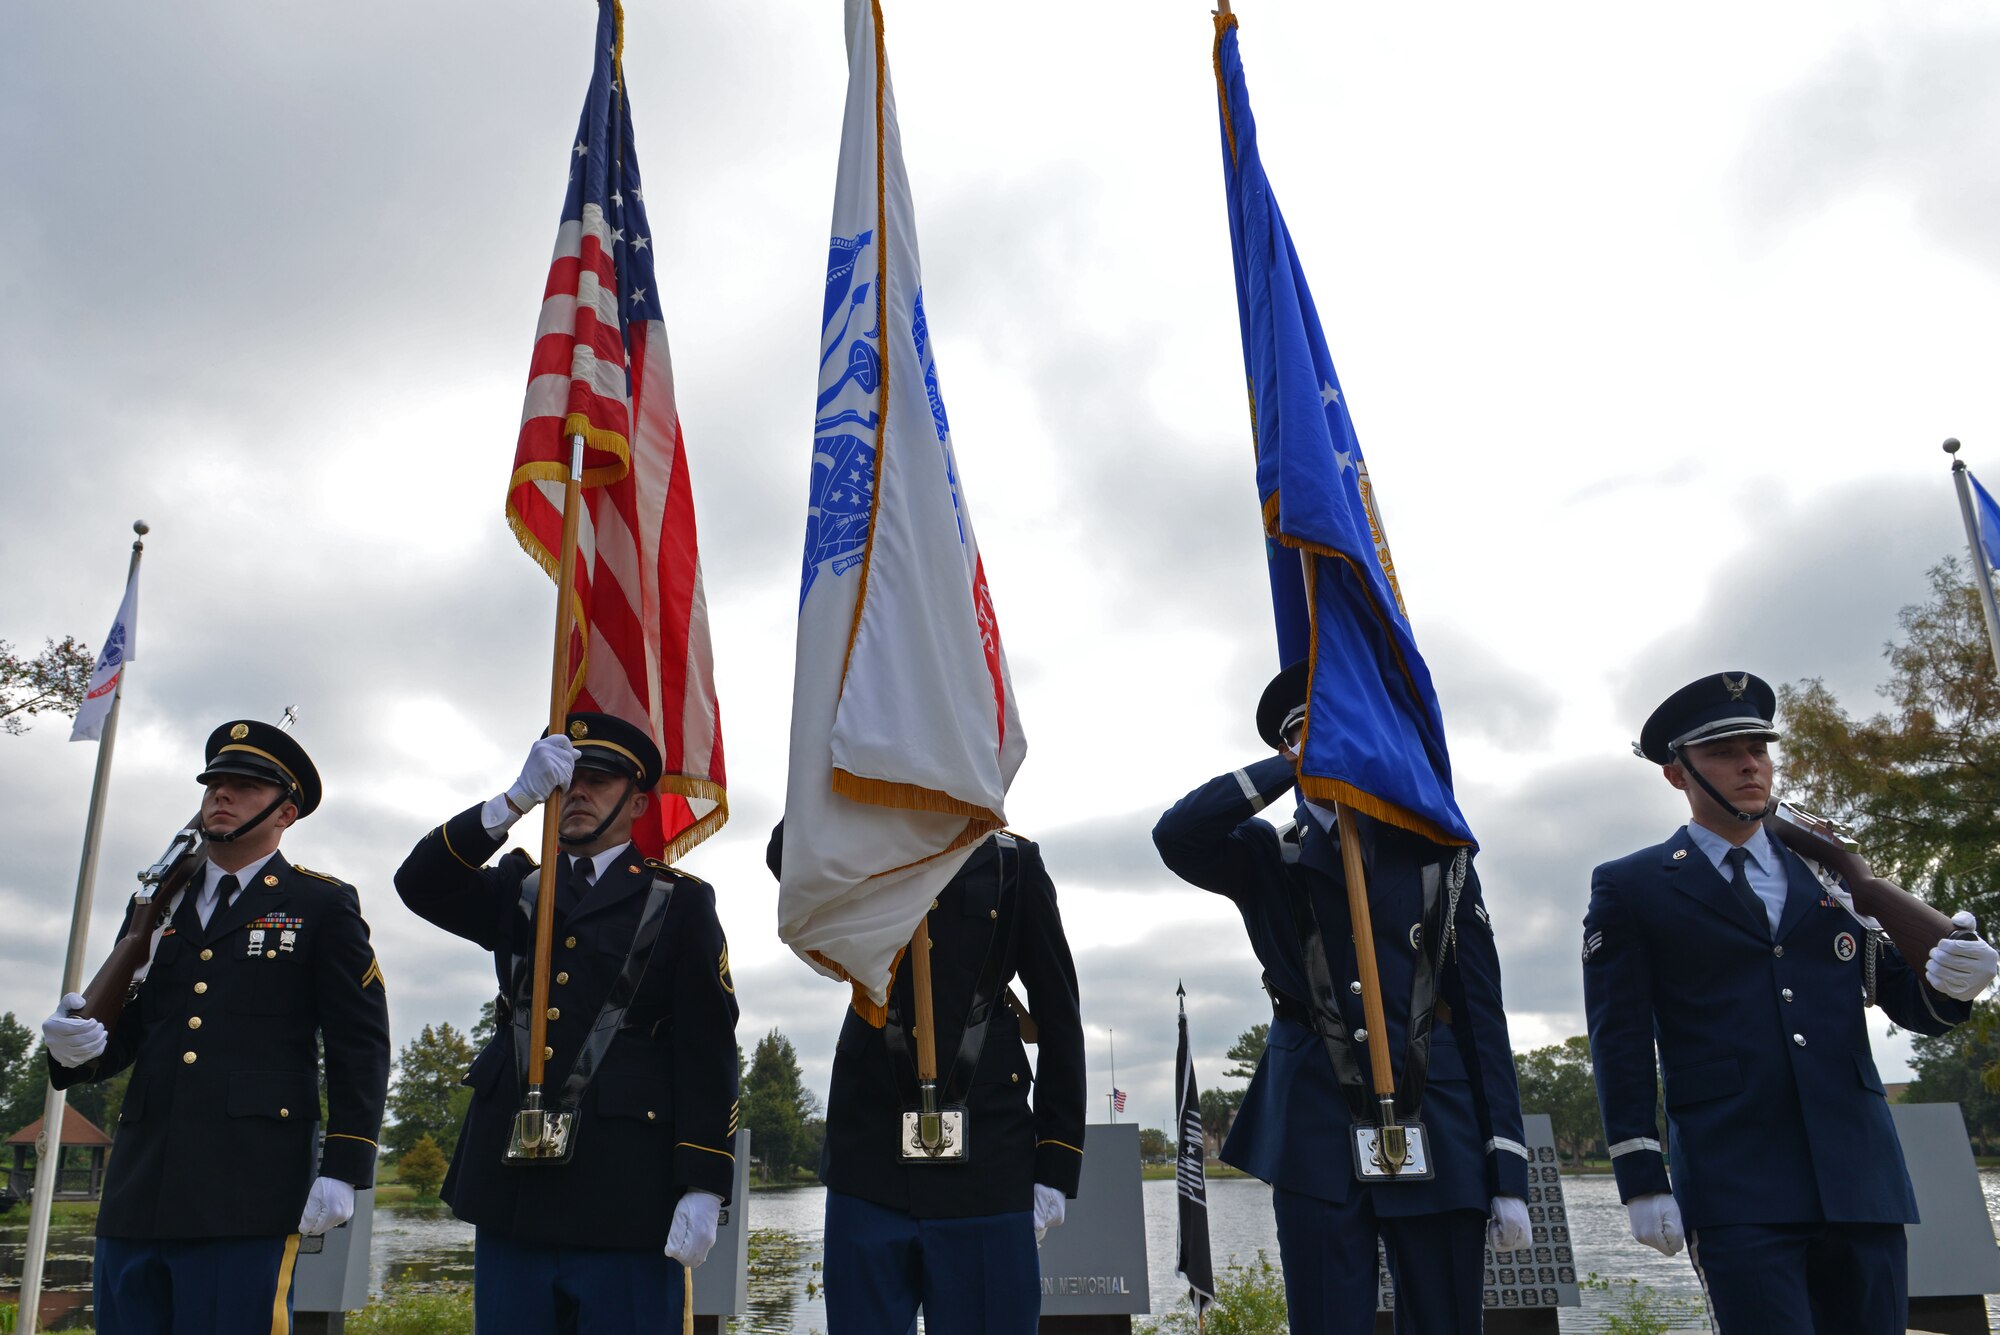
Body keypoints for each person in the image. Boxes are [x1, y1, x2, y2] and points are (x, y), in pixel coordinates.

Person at [1584, 671, 1998, 1332]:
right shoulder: (1633, 886)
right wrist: (1639, 1171)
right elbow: (1620, 1036)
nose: (1751, 764)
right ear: (1676, 773)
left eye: (1760, 747)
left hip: (1861, 1177)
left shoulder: (1829, 869)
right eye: (1724, 751)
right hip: (1736, 1183)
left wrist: (1954, 982)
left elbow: (1909, 1003)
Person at [1153, 662, 1531, 1335]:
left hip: (1436, 1119)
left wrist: (1507, 1166)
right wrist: (1287, 773)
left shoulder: (1437, 855)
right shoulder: (1267, 856)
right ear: (1289, 746)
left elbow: (1480, 1015)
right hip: (1315, 1127)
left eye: (1341, 728)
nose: (1330, 745)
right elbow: (1176, 835)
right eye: (1309, 733)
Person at [40, 719, 391, 1335]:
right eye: (214, 785)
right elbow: (131, 1035)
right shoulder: (159, 902)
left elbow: (359, 1045)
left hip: (249, 1191)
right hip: (139, 1189)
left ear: (285, 812)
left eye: (244, 787)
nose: (221, 796)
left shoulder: (320, 905)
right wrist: (75, 1049)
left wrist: (346, 1166)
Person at [395, 711, 738, 1334]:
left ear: (637, 803)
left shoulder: (679, 901)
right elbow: (418, 883)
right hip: (512, 1192)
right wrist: (513, 800)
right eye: (564, 779)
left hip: (625, 1190)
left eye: (597, 780)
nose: (575, 792)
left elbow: (707, 1048)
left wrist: (704, 1179)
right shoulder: (520, 888)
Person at [766, 820, 1086, 1335]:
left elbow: (1060, 1016)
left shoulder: (1013, 862)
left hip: (987, 1162)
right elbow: (788, 853)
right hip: (869, 1157)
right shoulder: (855, 844)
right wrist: (856, 783)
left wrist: (1055, 1164)